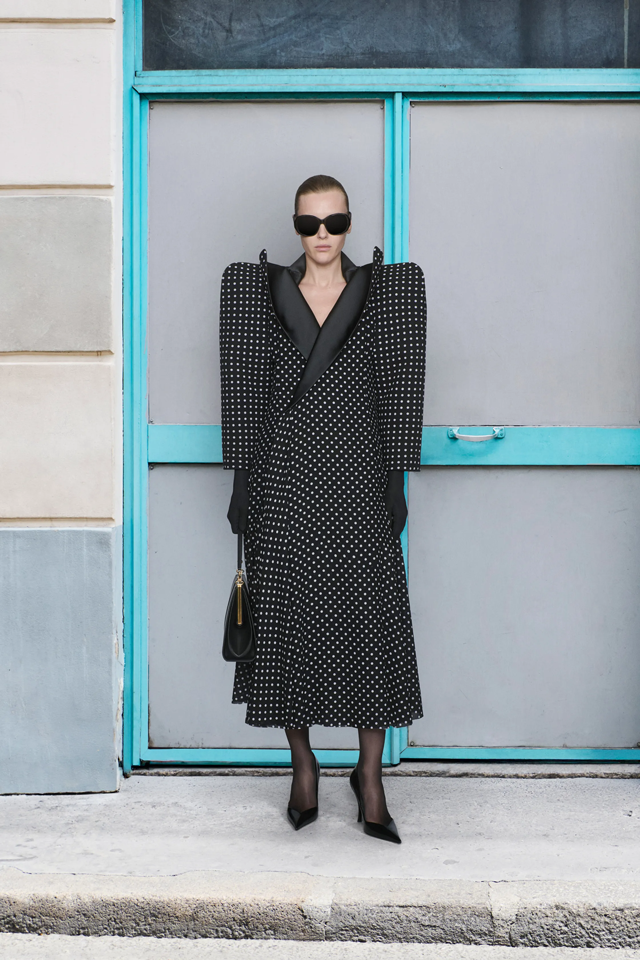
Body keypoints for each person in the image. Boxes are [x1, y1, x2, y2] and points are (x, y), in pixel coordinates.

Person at [220, 174, 427, 843]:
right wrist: (241, 482)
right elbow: (244, 389)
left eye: (334, 223)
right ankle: (303, 765)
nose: (322, 236)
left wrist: (396, 480)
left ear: (348, 223)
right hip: (283, 479)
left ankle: (370, 774)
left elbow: (400, 389)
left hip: (360, 479)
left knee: (371, 619)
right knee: (288, 620)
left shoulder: (384, 293)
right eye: (309, 224)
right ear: (295, 227)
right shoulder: (259, 292)